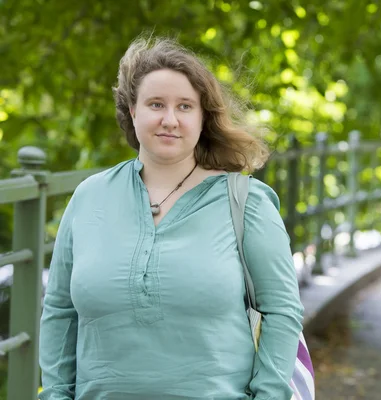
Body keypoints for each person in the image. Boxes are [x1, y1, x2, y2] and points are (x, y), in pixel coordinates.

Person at [39, 35, 305, 400]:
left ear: (202, 117)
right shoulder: (89, 197)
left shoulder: (246, 202)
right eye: (155, 104)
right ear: (133, 111)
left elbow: (282, 311)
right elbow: (59, 311)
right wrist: (55, 395)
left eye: (184, 106)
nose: (169, 119)